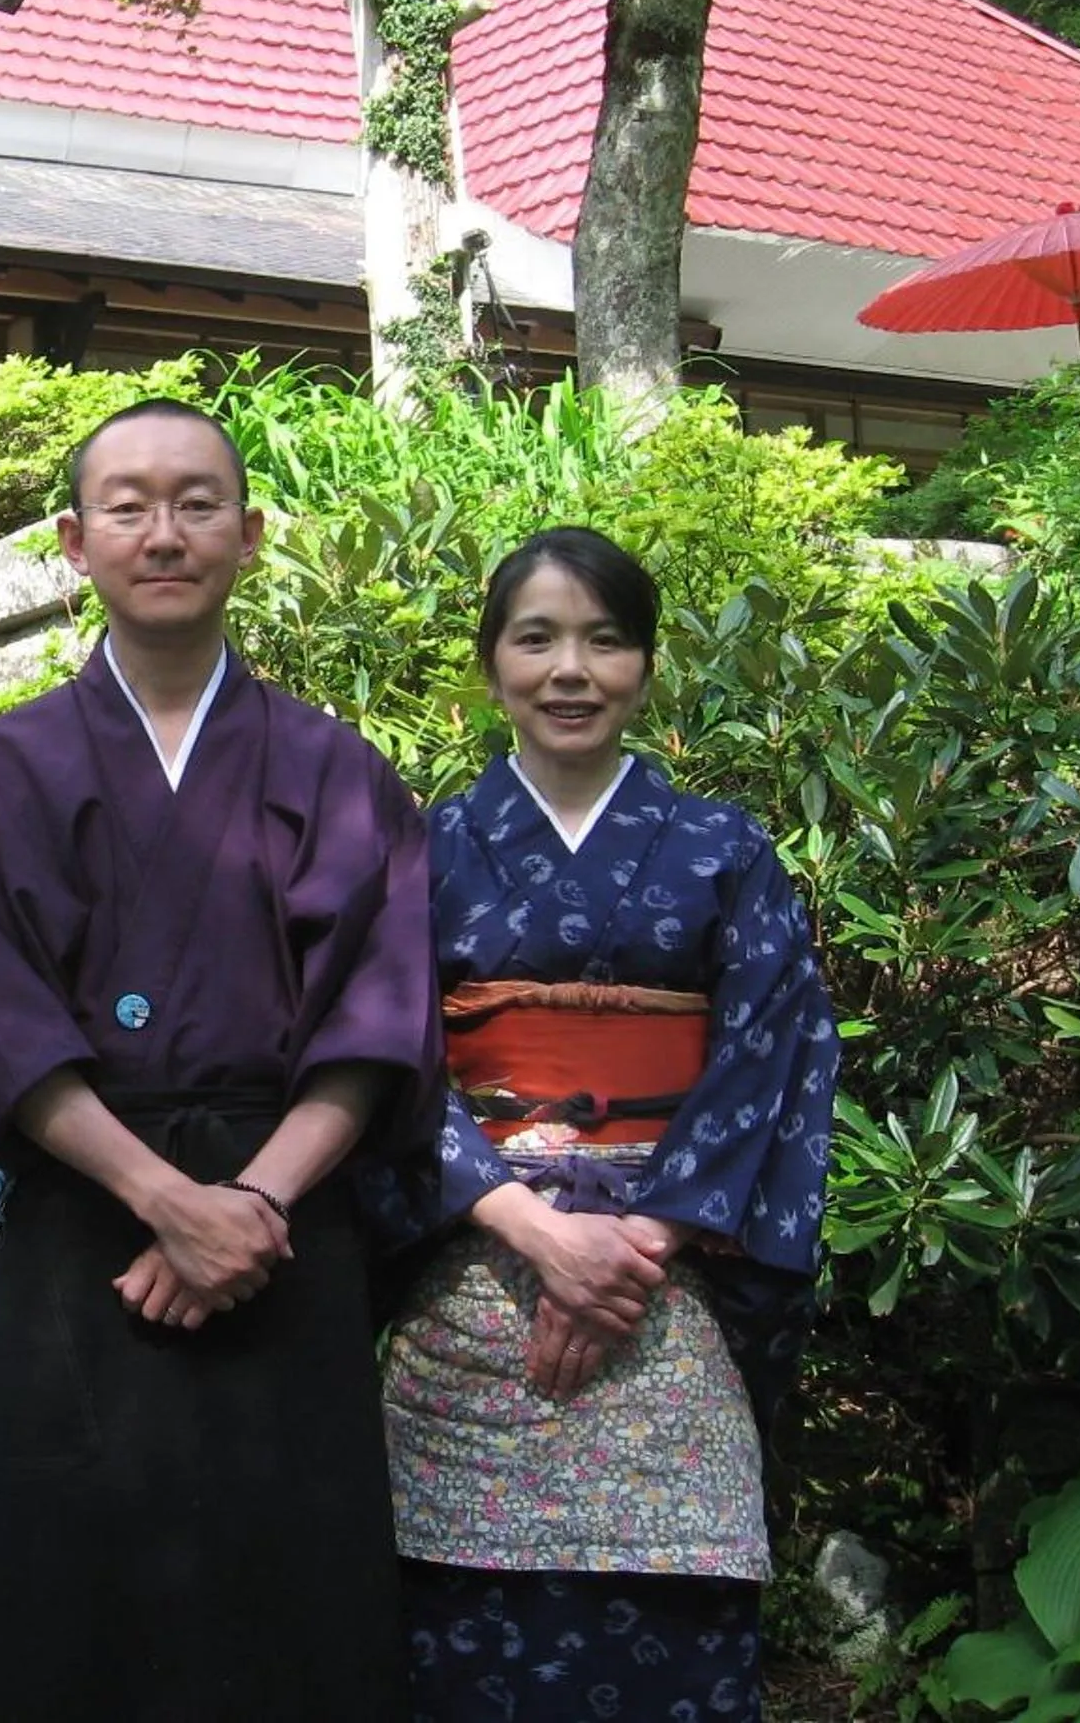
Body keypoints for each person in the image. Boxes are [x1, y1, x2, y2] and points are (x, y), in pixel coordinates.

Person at [0, 397, 443, 1721]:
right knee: (77, 1611)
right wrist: (168, 1201)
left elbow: (378, 1019)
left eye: (198, 504)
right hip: (85, 1224)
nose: (165, 533)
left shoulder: (338, 770)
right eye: (130, 506)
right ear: (73, 540)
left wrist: (249, 1205)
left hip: (285, 1230)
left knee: (293, 1612)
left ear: (250, 535)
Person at [374, 526, 840, 1722]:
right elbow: (382, 1056)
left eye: (604, 639)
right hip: (473, 1265)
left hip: (668, 1281)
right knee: (460, 1632)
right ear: (490, 664)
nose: (569, 670)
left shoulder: (723, 849)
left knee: (675, 1615)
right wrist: (531, 1229)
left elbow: (773, 1053)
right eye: (535, 639)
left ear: (646, 665)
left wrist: (641, 1244)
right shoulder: (425, 851)